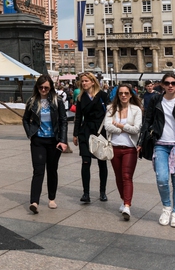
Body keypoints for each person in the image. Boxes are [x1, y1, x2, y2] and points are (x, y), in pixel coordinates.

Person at [138, 72, 175, 228]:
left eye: (173, 83)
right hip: (160, 144)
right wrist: (141, 140)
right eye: (167, 83)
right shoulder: (156, 100)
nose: (170, 85)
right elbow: (147, 121)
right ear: (162, 85)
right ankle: (166, 208)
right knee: (162, 179)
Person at [23, 74, 68, 213]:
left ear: (51, 88)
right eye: (41, 87)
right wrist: (30, 133)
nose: (43, 90)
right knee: (38, 171)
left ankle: (51, 199)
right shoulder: (32, 101)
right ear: (37, 87)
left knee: (52, 170)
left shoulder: (57, 101)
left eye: (46, 88)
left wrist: (63, 140)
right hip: (38, 140)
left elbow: (63, 121)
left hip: (54, 141)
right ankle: (34, 201)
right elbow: (25, 119)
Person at [103, 83, 143, 221]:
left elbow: (136, 129)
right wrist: (124, 128)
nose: (124, 96)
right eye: (121, 93)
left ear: (131, 94)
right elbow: (107, 126)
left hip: (130, 148)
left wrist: (119, 125)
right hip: (114, 147)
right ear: (117, 95)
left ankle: (127, 205)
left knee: (127, 176)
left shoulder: (136, 110)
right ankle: (123, 199)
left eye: (126, 93)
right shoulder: (111, 108)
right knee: (118, 176)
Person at [73, 72, 109, 203]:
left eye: (86, 81)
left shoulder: (103, 96)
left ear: (93, 82)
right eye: (82, 81)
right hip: (86, 131)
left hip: (100, 131)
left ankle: (102, 191)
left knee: (102, 162)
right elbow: (78, 117)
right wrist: (75, 134)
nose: (83, 83)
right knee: (85, 161)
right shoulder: (81, 97)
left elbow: (110, 113)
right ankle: (86, 193)